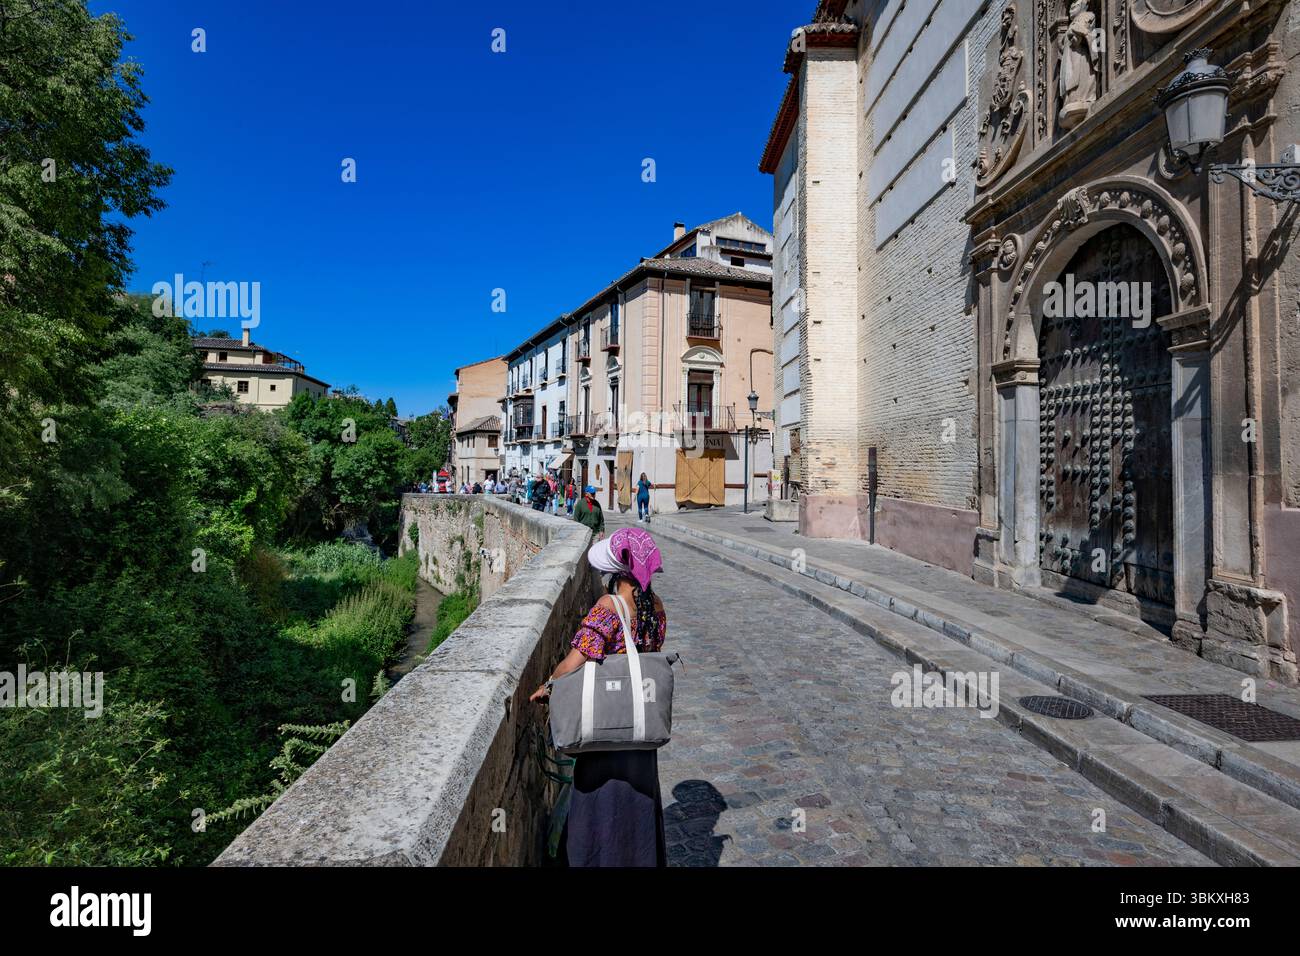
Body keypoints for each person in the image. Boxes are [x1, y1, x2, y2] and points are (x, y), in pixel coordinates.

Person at [530, 528, 667, 867]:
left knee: (599, 807)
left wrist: (547, 685)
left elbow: (576, 661)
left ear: (617, 573)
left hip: (605, 727)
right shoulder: (657, 607)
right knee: (637, 808)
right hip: (638, 729)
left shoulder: (608, 606)